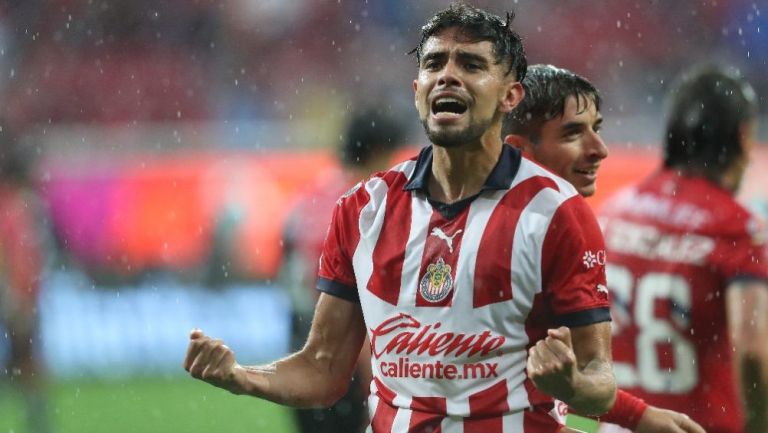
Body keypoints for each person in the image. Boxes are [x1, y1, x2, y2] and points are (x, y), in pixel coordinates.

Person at [186, 4, 618, 431]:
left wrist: (573, 384)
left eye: (470, 64)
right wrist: (241, 377)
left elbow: (600, 378)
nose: (448, 74)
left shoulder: (557, 213)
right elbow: (322, 367)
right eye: (434, 63)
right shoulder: (362, 210)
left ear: (510, 95)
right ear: (418, 90)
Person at [503, 64, 705, 433]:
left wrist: (639, 416)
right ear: (518, 151)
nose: (600, 150)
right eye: (572, 134)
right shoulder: (490, 236)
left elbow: (529, 384)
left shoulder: (550, 225)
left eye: (596, 129)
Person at [596, 65, 768, 433]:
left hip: (621, 423)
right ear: (742, 137)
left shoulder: (614, 211)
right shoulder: (736, 228)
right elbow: (753, 351)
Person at [279, 107, 407, 433]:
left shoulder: (306, 201)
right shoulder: (364, 209)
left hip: (301, 352)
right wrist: (374, 385)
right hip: (343, 360)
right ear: (379, 152)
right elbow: (358, 306)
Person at [0, 121, 52, 433]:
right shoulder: (17, 207)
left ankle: (37, 417)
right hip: (17, 295)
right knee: (27, 358)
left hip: (23, 294)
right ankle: (38, 419)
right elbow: (13, 256)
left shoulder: (21, 206)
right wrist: (13, 294)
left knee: (26, 358)